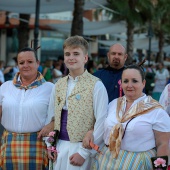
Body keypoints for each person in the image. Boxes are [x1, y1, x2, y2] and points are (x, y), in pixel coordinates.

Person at [91, 64, 170, 170]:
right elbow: (100, 126)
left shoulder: (156, 111)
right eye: (126, 81)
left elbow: (163, 144)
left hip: (137, 164)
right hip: (107, 160)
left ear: (143, 83)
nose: (129, 85)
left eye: (135, 81)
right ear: (121, 83)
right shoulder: (113, 104)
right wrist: (90, 132)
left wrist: (159, 169)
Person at [47, 35, 108, 170]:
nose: (71, 57)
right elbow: (51, 117)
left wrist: (84, 153)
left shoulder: (96, 85)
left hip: (82, 148)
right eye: (67, 54)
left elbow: (102, 121)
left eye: (76, 54)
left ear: (85, 58)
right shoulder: (58, 85)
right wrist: (50, 145)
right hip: (59, 147)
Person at [0, 47, 55, 170]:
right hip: (9, 142)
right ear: (17, 65)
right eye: (21, 62)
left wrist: (53, 123)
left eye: (30, 62)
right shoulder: (5, 87)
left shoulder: (50, 88)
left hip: (37, 143)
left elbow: (61, 115)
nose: (26, 65)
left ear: (38, 63)